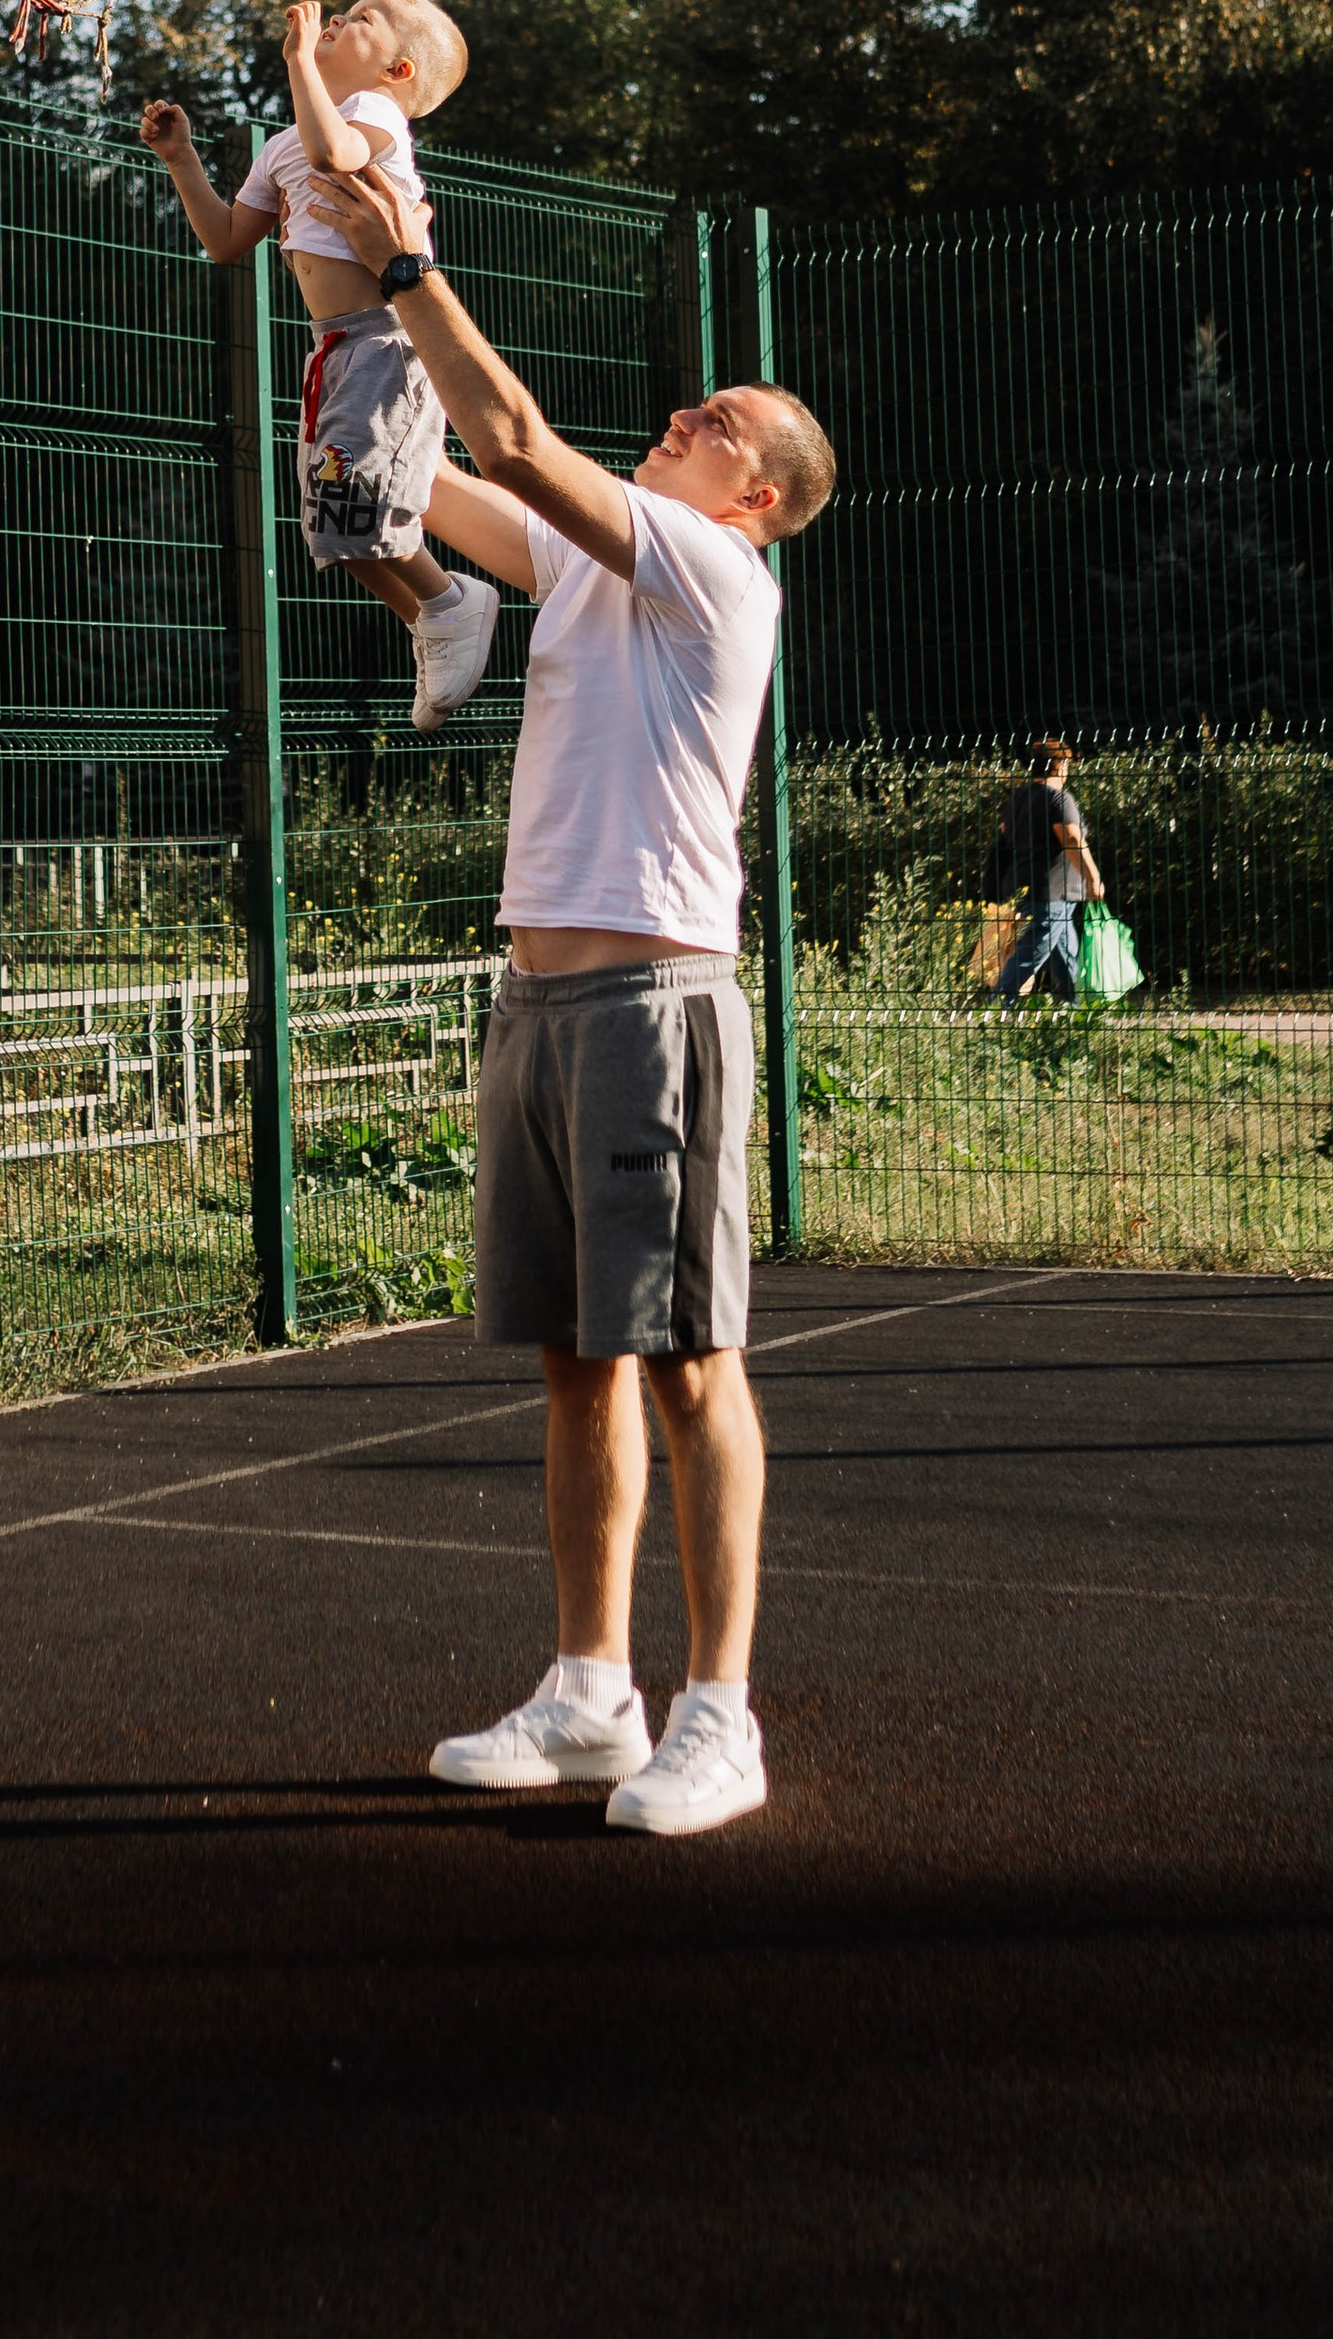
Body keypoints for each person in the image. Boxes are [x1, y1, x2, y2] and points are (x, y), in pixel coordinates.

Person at [314, 154, 836, 1839]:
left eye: (716, 418)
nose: (683, 413)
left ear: (756, 494)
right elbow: (433, 487)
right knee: (571, 1363)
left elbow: (521, 441)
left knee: (690, 1360)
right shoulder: (596, 567)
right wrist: (331, 323)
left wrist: (408, 270)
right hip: (538, 1000)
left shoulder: (714, 576)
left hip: (654, 1008)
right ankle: (593, 1690)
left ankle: (721, 1714)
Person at [140, 0, 499, 728]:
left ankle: (446, 604)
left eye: (361, 18)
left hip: (388, 341)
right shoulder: (280, 145)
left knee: (355, 501)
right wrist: (182, 161)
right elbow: (227, 239)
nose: (336, 18)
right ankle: (438, 614)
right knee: (331, 521)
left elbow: (337, 154)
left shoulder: (375, 120)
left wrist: (301, 58)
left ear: (397, 70)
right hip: (332, 350)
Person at [990, 740, 1104, 1003]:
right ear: (1060, 766)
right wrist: (1092, 876)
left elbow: (1006, 839)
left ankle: (1070, 1009)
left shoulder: (1017, 799)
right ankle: (997, 1009)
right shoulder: (1058, 799)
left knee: (1066, 952)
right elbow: (1072, 839)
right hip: (1052, 891)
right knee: (1031, 952)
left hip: (1022, 885)